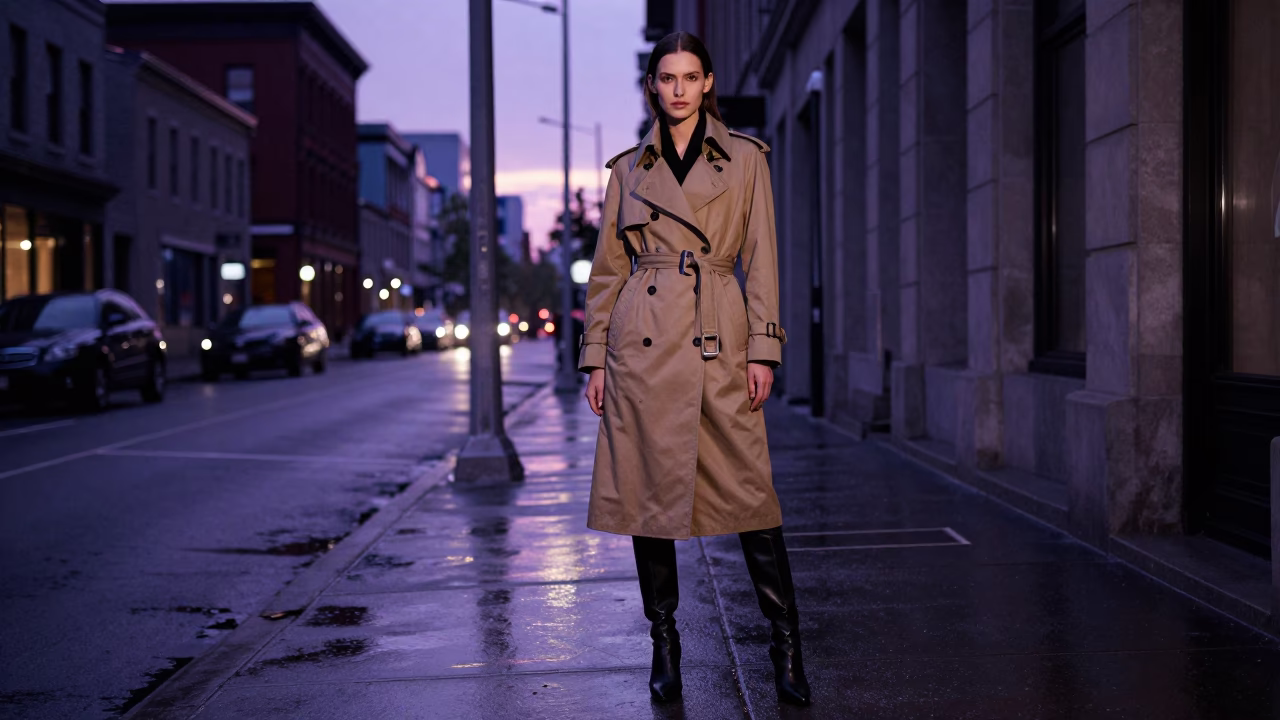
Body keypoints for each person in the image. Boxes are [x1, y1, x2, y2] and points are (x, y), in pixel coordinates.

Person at [578, 31, 811, 707]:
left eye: (690, 77)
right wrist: (596, 358)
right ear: (652, 86)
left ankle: (786, 643)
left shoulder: (745, 160)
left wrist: (763, 348)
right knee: (649, 500)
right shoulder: (628, 171)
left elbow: (762, 257)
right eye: (666, 78)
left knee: (752, 496)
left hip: (718, 337)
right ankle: (665, 643)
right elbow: (605, 275)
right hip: (643, 346)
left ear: (709, 83)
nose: (678, 89)